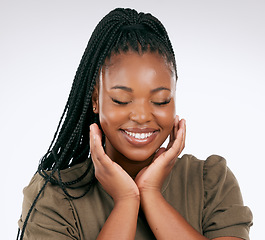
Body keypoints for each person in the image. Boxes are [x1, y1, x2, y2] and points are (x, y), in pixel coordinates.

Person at [17, 8, 253, 240]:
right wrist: (126, 201)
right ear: (96, 100)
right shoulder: (53, 196)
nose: (141, 116)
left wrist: (151, 195)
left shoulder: (210, 181)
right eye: (121, 100)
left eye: (161, 100)